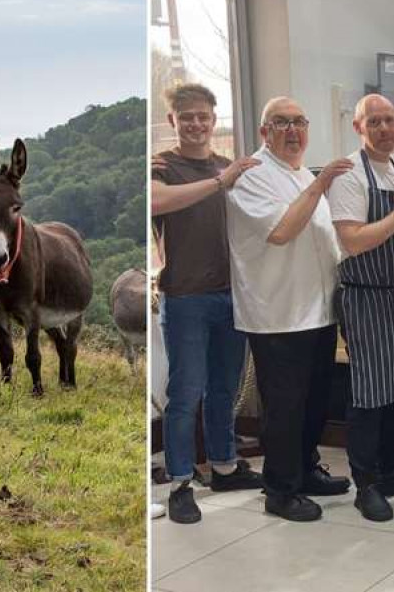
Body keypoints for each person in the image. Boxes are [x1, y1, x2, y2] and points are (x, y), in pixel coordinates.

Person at [225, 96, 352, 521]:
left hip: (318, 310)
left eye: (300, 121)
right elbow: (281, 232)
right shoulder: (253, 175)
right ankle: (280, 489)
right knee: (285, 407)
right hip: (278, 315)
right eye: (282, 123)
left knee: (316, 400)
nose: (293, 130)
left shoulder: (299, 175)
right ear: (265, 132)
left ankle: (305, 469)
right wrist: (321, 185)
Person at [150, 83, 263, 524]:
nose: (197, 124)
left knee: (224, 389)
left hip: (232, 296)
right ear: (173, 122)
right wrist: (219, 182)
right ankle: (180, 482)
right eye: (187, 117)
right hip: (185, 298)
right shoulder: (163, 165)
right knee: (186, 393)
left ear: (214, 121)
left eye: (204, 116)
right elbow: (156, 200)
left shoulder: (228, 165)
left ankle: (224, 465)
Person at [325, 94, 394, 522]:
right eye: (375, 121)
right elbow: (352, 241)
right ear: (359, 128)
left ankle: (391, 467)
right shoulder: (349, 175)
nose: (385, 128)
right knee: (369, 394)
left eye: (390, 120)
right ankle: (365, 482)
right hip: (365, 294)